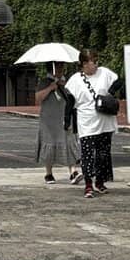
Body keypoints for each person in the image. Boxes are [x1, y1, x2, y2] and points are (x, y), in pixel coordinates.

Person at [65, 49, 119, 198]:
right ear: (84, 64)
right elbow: (70, 102)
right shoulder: (75, 80)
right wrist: (66, 120)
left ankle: (100, 182)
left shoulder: (104, 73)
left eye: (96, 61)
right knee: (88, 155)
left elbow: (119, 81)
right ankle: (88, 185)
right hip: (87, 122)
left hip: (105, 121)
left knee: (103, 154)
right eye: (92, 62)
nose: (96, 65)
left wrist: (110, 93)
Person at [34, 62, 81, 185]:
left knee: (70, 142)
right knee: (49, 143)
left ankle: (73, 172)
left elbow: (74, 98)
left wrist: (63, 86)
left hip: (65, 117)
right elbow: (38, 98)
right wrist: (50, 87)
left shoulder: (67, 82)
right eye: (58, 67)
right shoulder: (45, 82)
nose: (61, 69)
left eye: (62, 67)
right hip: (49, 119)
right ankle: (49, 173)